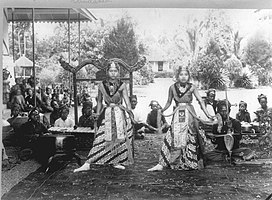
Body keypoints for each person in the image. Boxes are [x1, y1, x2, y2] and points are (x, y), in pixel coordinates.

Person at [148, 65, 214, 172]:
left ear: (188, 76)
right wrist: (162, 110)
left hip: (189, 114)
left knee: (190, 135)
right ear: (177, 76)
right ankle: (163, 163)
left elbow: (201, 101)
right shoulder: (172, 87)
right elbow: (169, 102)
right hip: (177, 113)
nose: (183, 77)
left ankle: (189, 162)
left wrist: (208, 115)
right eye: (181, 74)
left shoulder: (192, 87)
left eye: (186, 75)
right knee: (173, 135)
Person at [74, 61, 135, 172]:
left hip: (119, 113)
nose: (113, 73)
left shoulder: (122, 85)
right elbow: (100, 102)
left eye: (115, 71)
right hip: (107, 114)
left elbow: (127, 100)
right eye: (111, 71)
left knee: (118, 139)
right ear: (107, 72)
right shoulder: (101, 85)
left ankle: (115, 161)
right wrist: (97, 114)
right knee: (101, 138)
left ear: (118, 72)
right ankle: (88, 162)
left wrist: (130, 113)